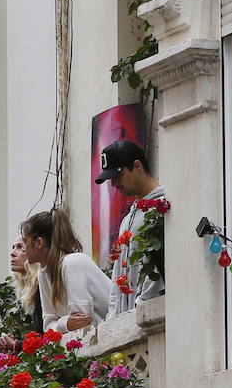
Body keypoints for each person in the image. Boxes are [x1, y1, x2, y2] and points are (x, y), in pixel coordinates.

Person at [95, 141, 165, 316]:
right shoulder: (127, 220)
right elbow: (117, 271)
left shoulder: (163, 206)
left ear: (137, 166)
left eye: (118, 175)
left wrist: (143, 304)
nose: (114, 184)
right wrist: (113, 315)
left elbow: (157, 266)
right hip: (127, 322)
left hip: (151, 316)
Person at [20, 208, 111, 334]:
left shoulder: (72, 263)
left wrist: (61, 324)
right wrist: (66, 324)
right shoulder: (43, 273)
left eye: (25, 242)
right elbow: (48, 326)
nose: (23, 248)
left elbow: (82, 322)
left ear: (39, 243)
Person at [0, 235, 43, 350]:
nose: (12, 253)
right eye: (13, 247)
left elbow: (50, 341)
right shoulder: (33, 289)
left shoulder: (42, 286)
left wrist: (16, 345)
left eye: (20, 247)